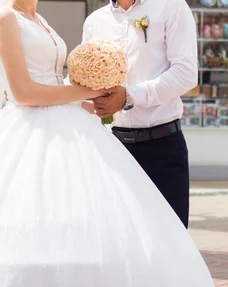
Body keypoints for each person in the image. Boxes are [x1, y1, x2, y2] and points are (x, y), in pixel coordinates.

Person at [0, 0, 223, 287]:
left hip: (149, 139)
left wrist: (114, 97)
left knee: (150, 240)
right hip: (69, 133)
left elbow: (182, 74)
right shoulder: (26, 19)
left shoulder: (45, 21)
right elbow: (29, 91)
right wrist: (87, 95)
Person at [84, 0, 197, 229]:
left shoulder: (171, 7)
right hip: (113, 150)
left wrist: (130, 96)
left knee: (169, 241)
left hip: (162, 148)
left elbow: (185, 73)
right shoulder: (95, 21)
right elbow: (87, 81)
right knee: (120, 243)